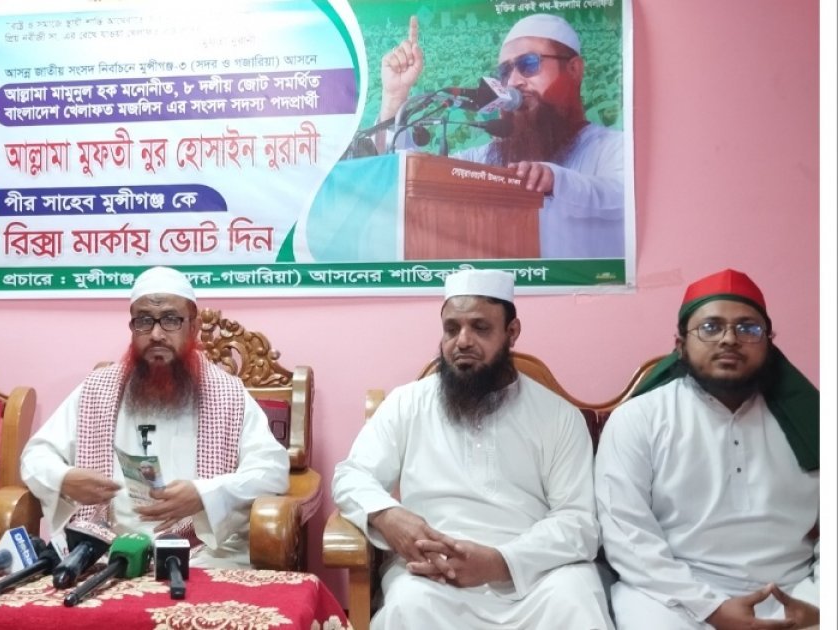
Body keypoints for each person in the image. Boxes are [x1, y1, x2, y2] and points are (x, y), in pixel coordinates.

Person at [331, 269, 611, 629]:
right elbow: (351, 474)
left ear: (512, 332)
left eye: (480, 328)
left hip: (533, 576)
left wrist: (499, 562)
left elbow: (578, 521)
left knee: (577, 600)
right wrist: (386, 514)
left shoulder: (558, 416)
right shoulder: (407, 403)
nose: (462, 341)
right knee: (408, 605)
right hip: (435, 575)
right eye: (452, 329)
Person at [20, 266, 289, 567]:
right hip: (107, 552)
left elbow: (271, 470)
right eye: (144, 321)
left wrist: (204, 495)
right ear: (132, 327)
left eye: (171, 320)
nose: (156, 334)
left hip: (202, 556)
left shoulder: (227, 394)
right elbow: (36, 455)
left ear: (193, 326)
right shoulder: (98, 389)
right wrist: (64, 479)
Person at [595, 269, 819, 630]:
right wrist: (711, 607)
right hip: (671, 597)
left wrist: (819, 603)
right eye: (711, 328)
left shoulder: (812, 421)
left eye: (748, 328)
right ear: (680, 344)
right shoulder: (638, 419)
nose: (729, 339)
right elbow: (626, 533)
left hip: (793, 592)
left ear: (769, 342)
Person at [377, 13, 624, 259]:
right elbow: (408, 178)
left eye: (529, 64)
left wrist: (554, 180)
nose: (513, 81)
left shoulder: (612, 147)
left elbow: (622, 198)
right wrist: (394, 98)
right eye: (505, 72)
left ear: (574, 69)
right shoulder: (487, 159)